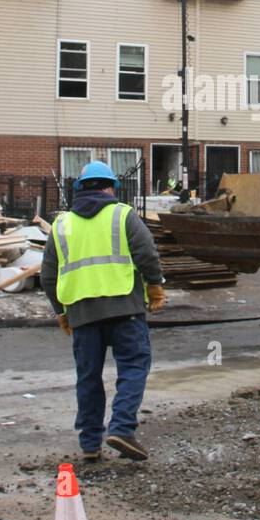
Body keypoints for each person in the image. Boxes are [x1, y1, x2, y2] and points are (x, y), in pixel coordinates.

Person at [42, 160, 166, 462]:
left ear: (80, 189)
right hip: (125, 309)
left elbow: (48, 275)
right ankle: (121, 428)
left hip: (82, 315)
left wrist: (60, 310)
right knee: (134, 367)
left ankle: (89, 443)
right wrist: (154, 285)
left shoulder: (61, 224)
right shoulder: (122, 215)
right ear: (110, 187)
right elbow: (146, 252)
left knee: (88, 377)